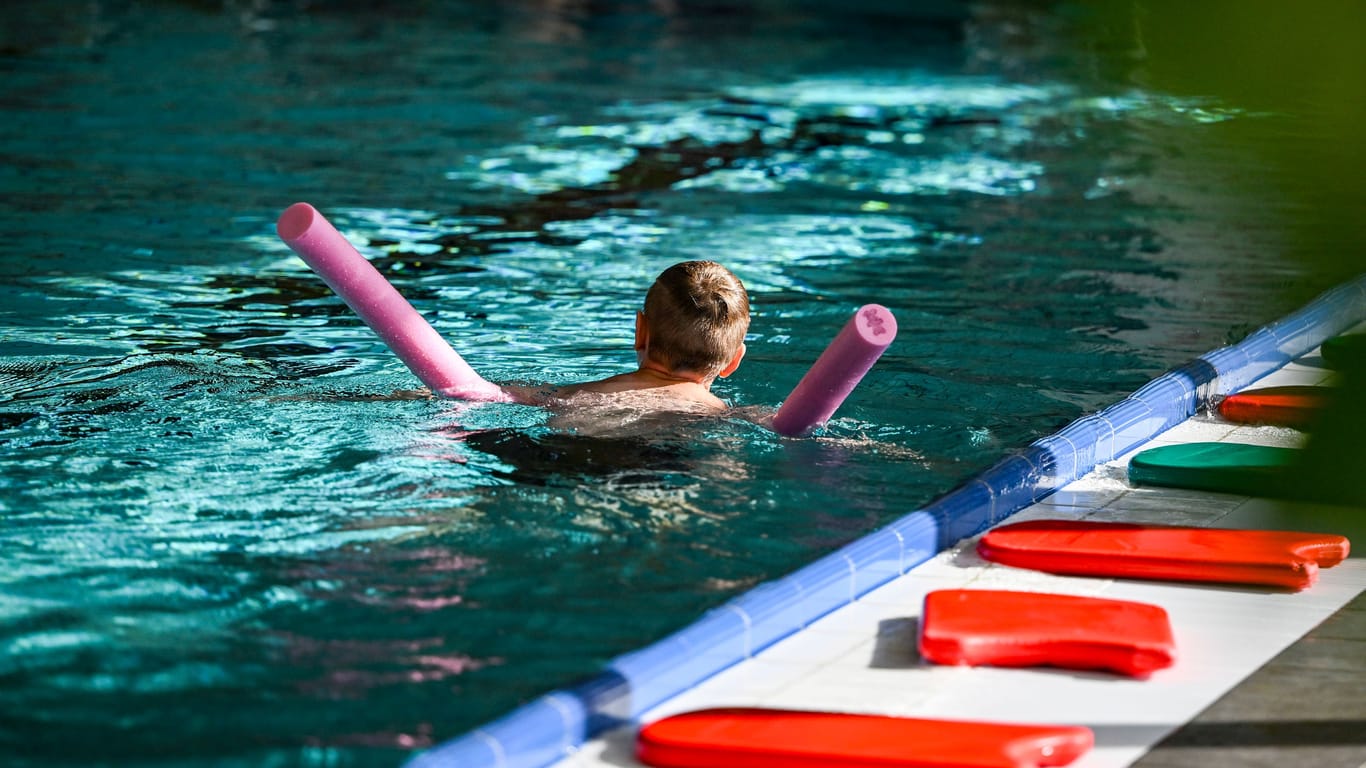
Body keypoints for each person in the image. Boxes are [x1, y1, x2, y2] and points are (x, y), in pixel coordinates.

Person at [527, 260, 750, 413]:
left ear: (640, 331)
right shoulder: (723, 414)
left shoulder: (566, 395)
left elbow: (494, 394)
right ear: (734, 361)